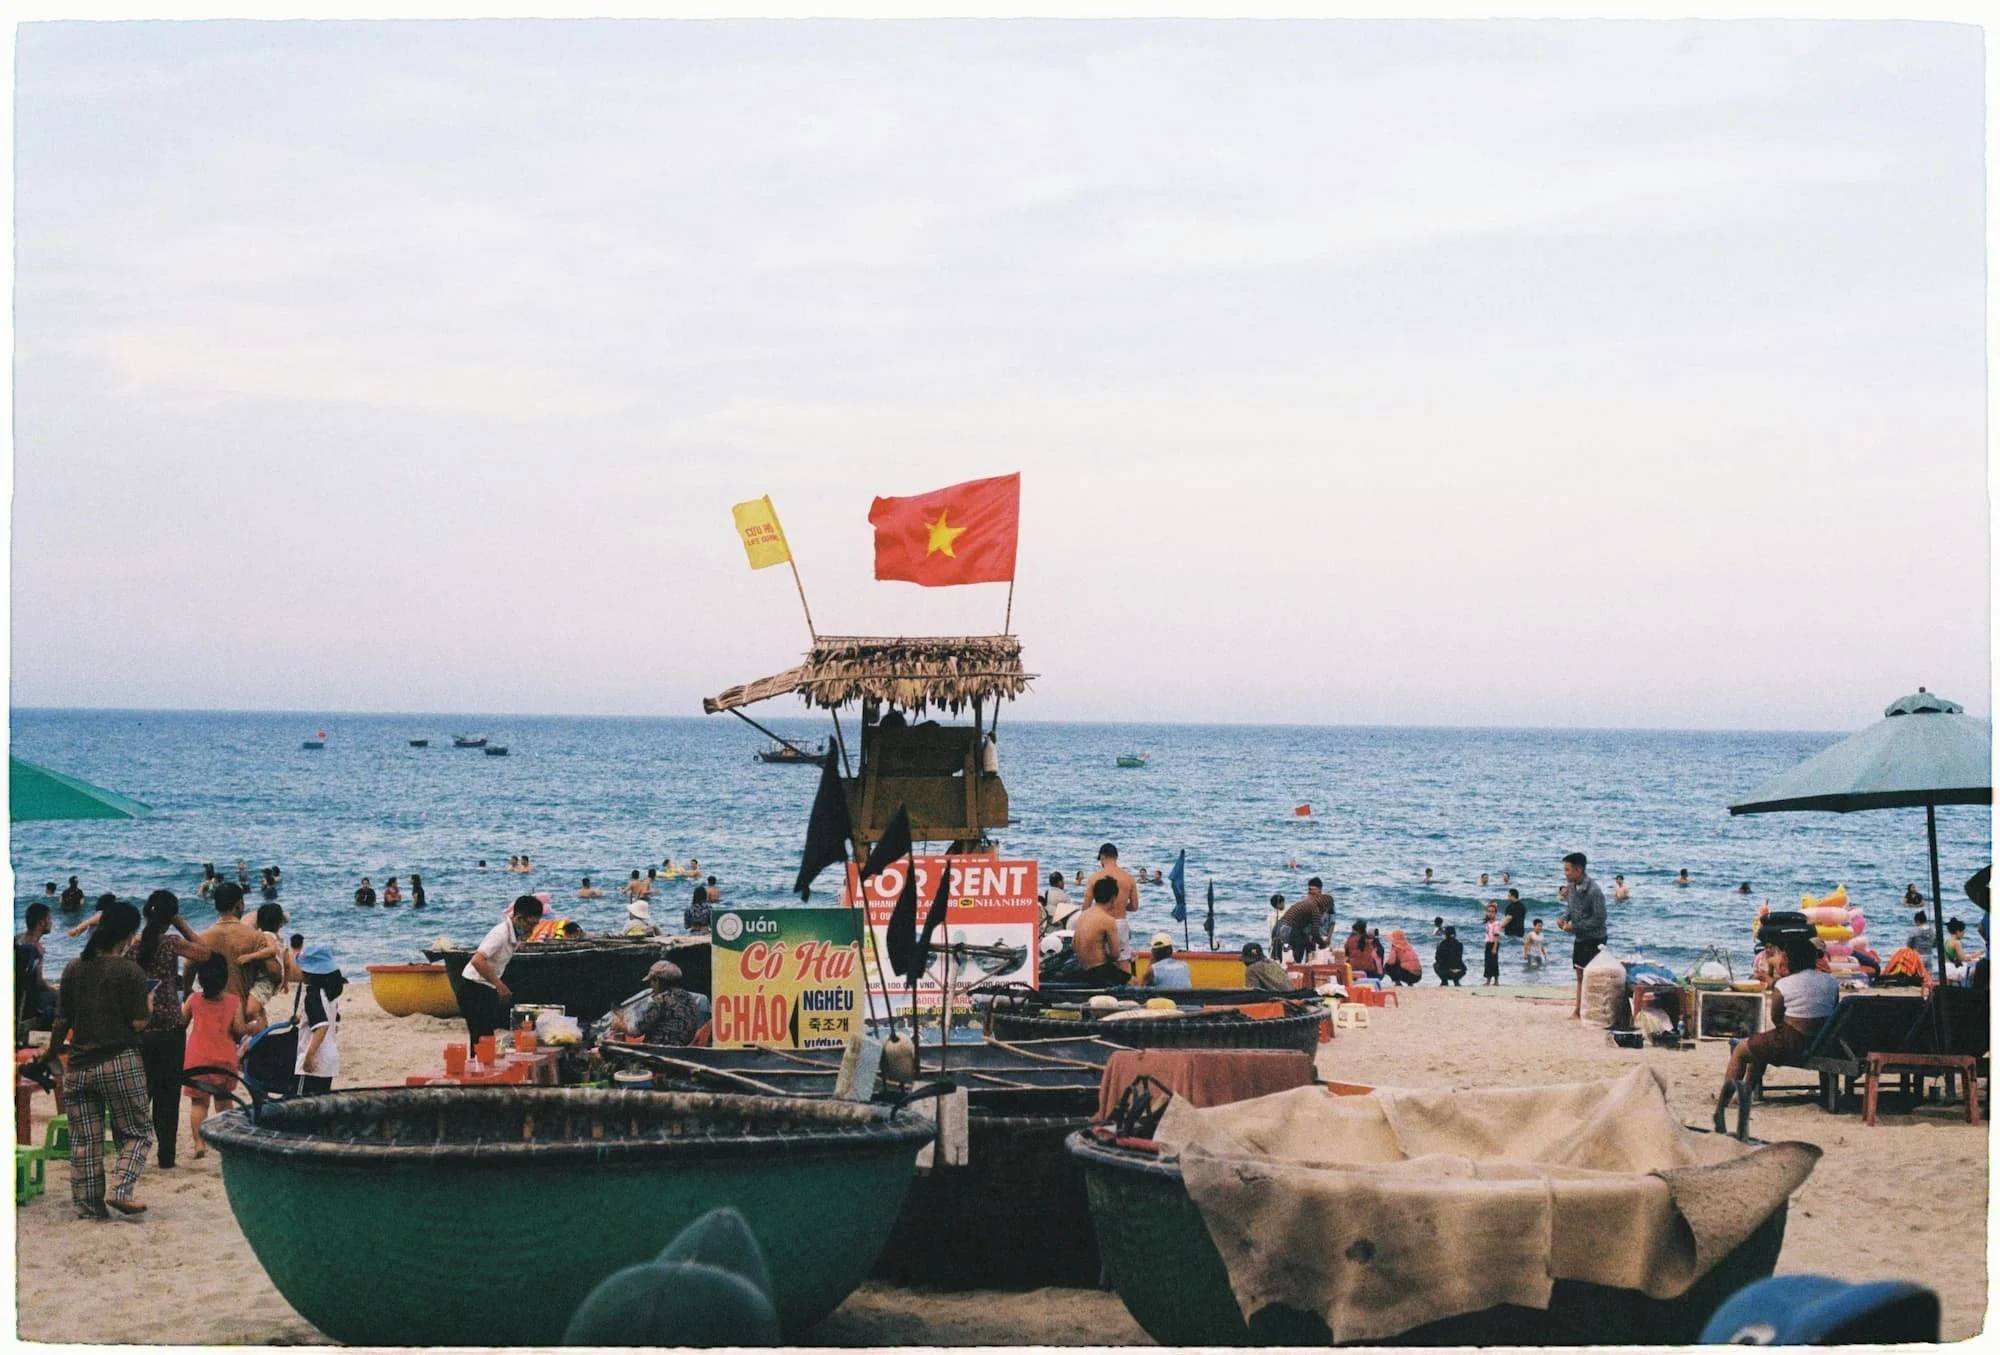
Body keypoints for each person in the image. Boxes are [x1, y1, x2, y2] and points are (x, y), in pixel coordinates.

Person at [39, 898, 153, 1219]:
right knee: (138, 1133)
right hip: (119, 1061)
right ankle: (120, 1189)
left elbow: (62, 1020)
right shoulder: (130, 971)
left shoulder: (73, 967)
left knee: (85, 1142)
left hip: (78, 1065)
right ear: (128, 935)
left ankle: (89, 1208)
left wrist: (51, 1052)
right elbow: (138, 1023)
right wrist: (149, 1003)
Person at [1715, 935, 1837, 1131]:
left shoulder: (1784, 985)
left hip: (1792, 1043)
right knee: (1759, 1045)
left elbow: (1776, 1017)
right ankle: (1745, 1093)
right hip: (1823, 1041)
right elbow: (1833, 1010)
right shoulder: (1830, 982)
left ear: (1790, 959)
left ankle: (1725, 1099)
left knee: (1741, 1051)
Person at [135, 891, 213, 1169]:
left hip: (140, 1025)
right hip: (170, 1025)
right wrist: (181, 923)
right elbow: (206, 952)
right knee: (167, 1095)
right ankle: (166, 1157)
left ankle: (133, 1152)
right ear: (171, 917)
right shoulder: (171, 943)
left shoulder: (133, 944)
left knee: (141, 1093)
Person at [180, 953, 249, 1159]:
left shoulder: (193, 1000)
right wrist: (252, 1026)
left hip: (197, 1059)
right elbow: (239, 1030)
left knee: (199, 1104)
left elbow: (181, 1023)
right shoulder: (233, 1002)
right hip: (224, 1060)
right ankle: (225, 1141)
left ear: (200, 979)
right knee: (224, 1103)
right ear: (225, 978)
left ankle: (198, 1143)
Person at [460, 895, 545, 1041]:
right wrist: (499, 985)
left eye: (535, 925)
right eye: (530, 925)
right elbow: (477, 960)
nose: (532, 929)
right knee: (482, 1037)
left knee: (486, 1035)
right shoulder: (500, 933)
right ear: (518, 919)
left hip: (487, 986)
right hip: (472, 987)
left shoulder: (515, 935)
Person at [195, 882, 267, 1005]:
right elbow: (274, 971)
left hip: (212, 1006)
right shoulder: (256, 937)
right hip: (242, 1007)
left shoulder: (203, 938)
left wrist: (187, 990)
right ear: (240, 904)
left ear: (216, 906)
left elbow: (188, 966)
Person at [1556, 852, 1608, 1019]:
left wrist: (1575, 927)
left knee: (1593, 976)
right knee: (1579, 974)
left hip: (1596, 938)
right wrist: (1564, 919)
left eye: (1568, 870)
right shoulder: (1571, 887)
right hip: (1580, 937)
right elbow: (1571, 908)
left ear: (1578, 870)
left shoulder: (1594, 891)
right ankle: (1578, 1011)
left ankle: (1592, 1010)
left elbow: (1600, 918)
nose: (1565, 873)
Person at [608, 961, 703, 1045]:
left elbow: (636, 1031)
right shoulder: (690, 999)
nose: (651, 985)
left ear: (657, 980)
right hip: (682, 1049)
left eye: (651, 981)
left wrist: (620, 1025)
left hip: (658, 1050)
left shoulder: (661, 1000)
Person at [294, 945, 345, 1095]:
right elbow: (332, 1022)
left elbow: (322, 1027)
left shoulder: (313, 996)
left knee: (302, 1102)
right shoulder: (330, 995)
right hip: (329, 1060)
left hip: (316, 1059)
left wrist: (309, 1056)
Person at [1084, 844, 1139, 956]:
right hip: (1120, 924)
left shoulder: (1094, 878)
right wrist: (1121, 905)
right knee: (1123, 962)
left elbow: (1086, 908)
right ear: (1116, 857)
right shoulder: (1129, 878)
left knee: (1099, 961)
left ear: (1102, 857)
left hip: (1100, 924)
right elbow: (1134, 907)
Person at [1070, 878, 1128, 985]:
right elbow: (1115, 954)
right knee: (1134, 982)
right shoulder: (1108, 920)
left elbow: (1074, 945)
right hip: (1099, 972)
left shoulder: (1083, 915)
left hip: (1083, 969)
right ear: (1113, 898)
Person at [15, 902, 58, 1041]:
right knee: (63, 998)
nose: (51, 922)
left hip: (18, 999)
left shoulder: (17, 940)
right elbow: (40, 984)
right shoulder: (35, 950)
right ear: (41, 923)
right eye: (49, 919)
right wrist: (56, 990)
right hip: (30, 1005)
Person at [245, 903, 295, 1016]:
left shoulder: (264, 936)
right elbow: (287, 964)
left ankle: (258, 1021)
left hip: (266, 979)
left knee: (250, 1008)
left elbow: (268, 953)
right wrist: (285, 983)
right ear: (280, 923)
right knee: (259, 1001)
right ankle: (261, 1016)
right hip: (277, 979)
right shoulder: (282, 941)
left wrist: (249, 956)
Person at [1277, 892, 1332, 963]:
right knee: (1295, 959)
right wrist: (1322, 944)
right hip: (1289, 930)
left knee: (1285, 955)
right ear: (1325, 906)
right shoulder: (1316, 910)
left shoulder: (1308, 903)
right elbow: (1315, 933)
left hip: (1279, 927)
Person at [1943, 918, 1981, 984]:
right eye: (1963, 932)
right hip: (1953, 971)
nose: (1963, 934)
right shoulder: (1956, 942)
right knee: (1978, 967)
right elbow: (1964, 959)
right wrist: (1976, 954)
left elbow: (1956, 957)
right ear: (1958, 931)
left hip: (1946, 969)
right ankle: (1971, 987)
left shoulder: (1947, 941)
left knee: (1972, 962)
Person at [1481, 902, 1503, 985]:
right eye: (1489, 911)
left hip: (1494, 944)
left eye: (1492, 912)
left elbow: (1497, 936)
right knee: (1487, 962)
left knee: (1493, 962)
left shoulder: (1496, 923)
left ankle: (1495, 981)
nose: (1490, 913)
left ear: (1495, 913)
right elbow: (1484, 909)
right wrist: (1490, 905)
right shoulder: (1488, 922)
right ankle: (1488, 980)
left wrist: (1494, 947)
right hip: (1488, 943)